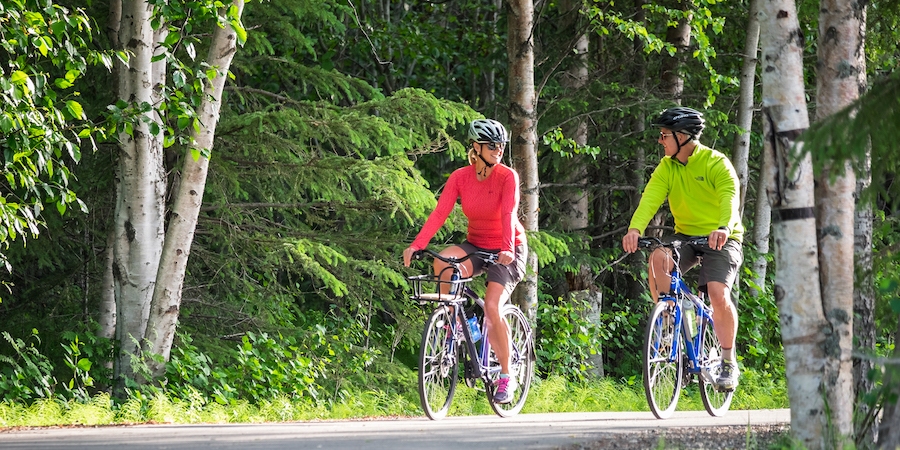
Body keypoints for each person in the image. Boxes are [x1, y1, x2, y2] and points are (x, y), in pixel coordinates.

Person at [403, 118, 528, 404]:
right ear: (476, 147)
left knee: (493, 306)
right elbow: (439, 214)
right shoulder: (460, 177)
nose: (498, 150)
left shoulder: (507, 176)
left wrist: (507, 248)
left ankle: (506, 376)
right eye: (492, 145)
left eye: (501, 145)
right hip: (477, 245)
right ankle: (453, 320)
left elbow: (509, 213)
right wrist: (417, 245)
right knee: (443, 261)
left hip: (508, 248)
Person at [621, 107, 744, 391]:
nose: (660, 141)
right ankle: (669, 321)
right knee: (658, 258)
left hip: (723, 236)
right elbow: (650, 198)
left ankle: (727, 361)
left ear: (683, 137)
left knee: (717, 292)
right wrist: (635, 229)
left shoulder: (716, 163)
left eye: (664, 135)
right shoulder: (667, 167)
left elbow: (729, 198)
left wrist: (724, 227)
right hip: (687, 235)